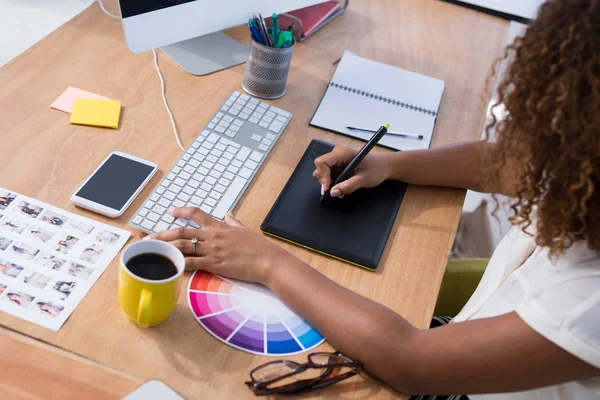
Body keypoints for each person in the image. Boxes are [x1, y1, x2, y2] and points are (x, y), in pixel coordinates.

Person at [148, 1, 599, 399]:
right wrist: (391, 165)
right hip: (476, 331)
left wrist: (268, 263)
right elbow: (517, 162)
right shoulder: (583, 173)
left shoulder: (589, 306)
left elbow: (411, 363)